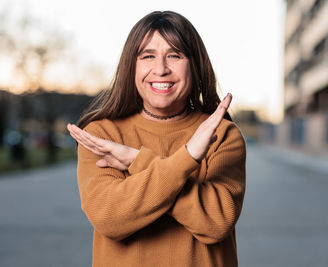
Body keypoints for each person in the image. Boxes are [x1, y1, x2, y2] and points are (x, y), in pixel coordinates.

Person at [67, 10, 246, 267]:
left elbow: (216, 222)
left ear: (194, 65)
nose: (160, 69)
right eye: (148, 56)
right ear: (132, 65)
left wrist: (135, 160)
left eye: (174, 55)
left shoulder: (222, 134)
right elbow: (110, 218)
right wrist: (188, 158)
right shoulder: (101, 135)